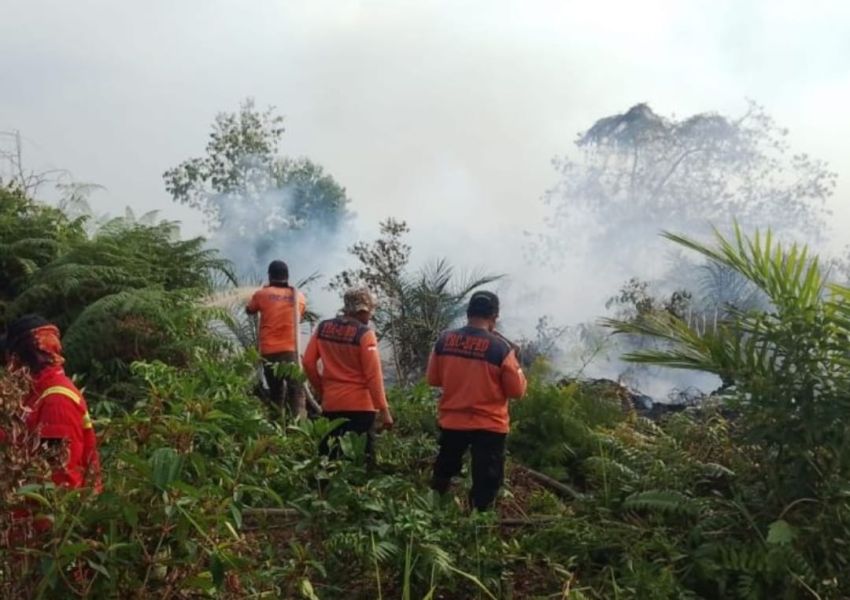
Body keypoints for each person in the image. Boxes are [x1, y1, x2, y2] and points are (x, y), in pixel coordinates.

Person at [426, 291, 526, 511]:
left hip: (452, 421)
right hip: (489, 426)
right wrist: (516, 360)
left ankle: (434, 514)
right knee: (486, 482)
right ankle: (478, 526)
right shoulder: (500, 349)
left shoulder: (444, 341)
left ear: (468, 312)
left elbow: (433, 379)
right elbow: (517, 391)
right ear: (494, 316)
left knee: (444, 472)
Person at [0, 314, 102, 491]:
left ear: (22, 358)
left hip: (48, 514)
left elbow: (60, 479)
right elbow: (19, 442)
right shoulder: (36, 394)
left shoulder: (56, 401)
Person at [302, 287, 393, 467]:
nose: (370, 318)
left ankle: (325, 493)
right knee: (361, 461)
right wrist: (384, 411)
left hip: (332, 405)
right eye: (369, 313)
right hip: (361, 408)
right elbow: (373, 376)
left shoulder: (323, 328)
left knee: (330, 459)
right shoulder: (365, 335)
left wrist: (323, 390)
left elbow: (308, 363)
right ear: (363, 311)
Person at [246, 260, 308, 419]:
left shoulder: (261, 294)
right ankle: (299, 429)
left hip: (269, 352)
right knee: (297, 392)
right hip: (290, 352)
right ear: (287, 276)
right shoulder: (299, 297)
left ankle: (275, 427)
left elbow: (250, 310)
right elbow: (301, 315)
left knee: (276, 392)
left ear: (270, 276)